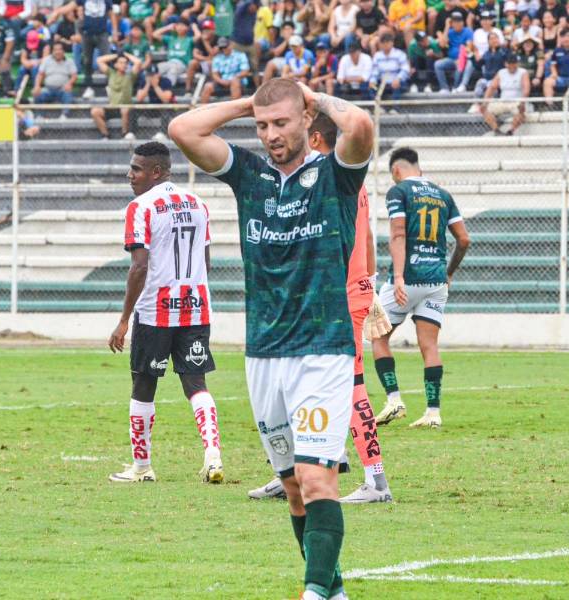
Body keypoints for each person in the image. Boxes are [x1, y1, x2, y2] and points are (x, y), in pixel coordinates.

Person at [168, 78, 374, 600]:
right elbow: (181, 129)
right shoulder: (251, 175)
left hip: (322, 350)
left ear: (307, 120)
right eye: (262, 126)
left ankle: (311, 593)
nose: (270, 134)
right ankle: (335, 589)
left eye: (281, 123)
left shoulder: (336, 176)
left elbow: (361, 126)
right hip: (263, 354)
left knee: (317, 479)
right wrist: (250, 104)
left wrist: (310, 96)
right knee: (292, 489)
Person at [246, 112, 395, 505]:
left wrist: (358, 286)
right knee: (292, 381)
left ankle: (376, 480)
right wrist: (369, 282)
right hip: (344, 290)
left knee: (353, 385)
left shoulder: (329, 177)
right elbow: (365, 239)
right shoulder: (347, 179)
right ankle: (296, 469)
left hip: (338, 295)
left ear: (313, 137)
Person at [106, 142, 224, 484]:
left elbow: (139, 267)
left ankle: (142, 467)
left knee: (143, 384)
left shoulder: (140, 207)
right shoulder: (198, 204)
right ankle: (213, 456)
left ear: (157, 171)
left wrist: (124, 319)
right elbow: (206, 261)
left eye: (137, 169)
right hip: (195, 308)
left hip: (156, 312)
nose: (130, 175)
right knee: (196, 384)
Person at [373, 147, 469, 429]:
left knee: (378, 338)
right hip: (436, 281)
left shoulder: (399, 191)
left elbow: (398, 233)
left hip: (408, 278)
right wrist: (448, 273)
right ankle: (433, 412)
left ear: (396, 171)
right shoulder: (443, 194)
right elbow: (463, 240)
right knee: (429, 345)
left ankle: (394, 401)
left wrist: (399, 276)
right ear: (420, 169)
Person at [89, 52, 141, 140]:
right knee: (95, 111)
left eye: (125, 63)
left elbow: (138, 62)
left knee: (125, 109)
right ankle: (105, 135)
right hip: (112, 107)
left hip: (126, 108)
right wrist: (117, 55)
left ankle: (124, 134)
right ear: (116, 65)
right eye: (121, 62)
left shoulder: (130, 76)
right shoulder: (111, 73)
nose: (124, 65)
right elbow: (99, 60)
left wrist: (125, 54)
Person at [480, 53, 529, 135]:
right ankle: (496, 130)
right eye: (510, 63)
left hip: (517, 102)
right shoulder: (501, 72)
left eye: (514, 63)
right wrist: (485, 102)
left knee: (521, 112)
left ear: (517, 63)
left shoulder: (523, 72)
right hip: (502, 102)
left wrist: (522, 102)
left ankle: (511, 131)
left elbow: (526, 89)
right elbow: (492, 88)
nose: (512, 66)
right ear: (506, 64)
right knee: (484, 109)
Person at [33, 41, 77, 116]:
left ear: (63, 51)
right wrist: (37, 86)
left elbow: (74, 75)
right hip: (48, 89)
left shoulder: (69, 61)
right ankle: (40, 116)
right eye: (55, 50)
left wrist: (69, 84)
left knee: (68, 96)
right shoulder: (46, 60)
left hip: (62, 89)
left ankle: (65, 115)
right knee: (37, 94)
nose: (58, 52)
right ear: (52, 51)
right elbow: (40, 75)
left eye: (60, 49)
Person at [202, 36, 250, 101]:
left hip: (238, 81)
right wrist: (222, 81)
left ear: (230, 45)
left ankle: (235, 109)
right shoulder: (217, 58)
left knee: (235, 82)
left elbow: (245, 71)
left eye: (225, 46)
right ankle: (203, 110)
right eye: (221, 47)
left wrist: (234, 78)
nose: (223, 49)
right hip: (222, 82)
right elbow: (215, 74)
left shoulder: (240, 55)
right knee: (207, 86)